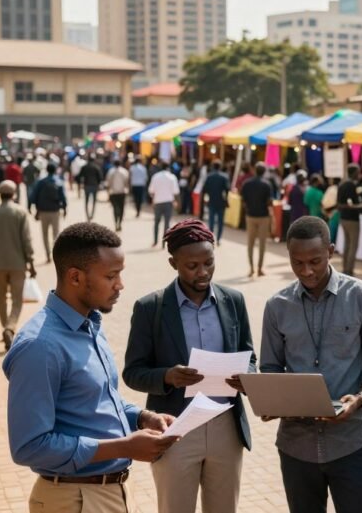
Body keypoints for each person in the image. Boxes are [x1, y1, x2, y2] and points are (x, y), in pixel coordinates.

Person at [3, 222, 179, 513]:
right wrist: (123, 447)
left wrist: (142, 417)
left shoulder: (90, 324)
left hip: (111, 492)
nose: (120, 285)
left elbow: (97, 400)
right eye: (111, 276)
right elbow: (29, 446)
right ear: (75, 277)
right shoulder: (40, 346)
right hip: (74, 500)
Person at [260, 216, 362, 513]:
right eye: (298, 263)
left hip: (351, 443)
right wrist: (271, 402)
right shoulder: (276, 306)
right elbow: (270, 368)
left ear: (331, 251)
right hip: (296, 447)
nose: (307, 271)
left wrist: (359, 399)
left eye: (315, 261)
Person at [123, 219, 256, 513]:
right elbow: (133, 372)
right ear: (173, 263)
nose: (203, 272)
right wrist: (168, 376)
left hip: (226, 427)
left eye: (209, 262)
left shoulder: (233, 300)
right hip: (176, 427)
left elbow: (250, 356)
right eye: (192, 265)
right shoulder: (150, 308)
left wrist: (248, 378)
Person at [0, 180, 37, 350]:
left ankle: (5, 326)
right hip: (17, 263)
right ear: (13, 194)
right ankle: (10, 327)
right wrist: (31, 262)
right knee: (17, 299)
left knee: (0, 299)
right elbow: (26, 240)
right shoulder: (20, 212)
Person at [29, 163, 67, 264]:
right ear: (55, 170)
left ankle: (47, 254)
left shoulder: (41, 182)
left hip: (43, 211)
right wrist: (65, 208)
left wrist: (31, 207)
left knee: (45, 234)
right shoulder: (58, 181)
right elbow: (63, 197)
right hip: (55, 211)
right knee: (56, 233)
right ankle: (55, 254)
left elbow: (33, 196)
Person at [241, 163, 273, 277]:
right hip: (263, 216)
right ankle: (259, 268)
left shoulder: (247, 183)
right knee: (262, 244)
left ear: (255, 170)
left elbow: (243, 201)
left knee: (250, 243)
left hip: (250, 216)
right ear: (264, 172)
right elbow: (269, 202)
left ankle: (251, 269)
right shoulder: (267, 184)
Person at [336, 165, 362, 275]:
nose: (359, 175)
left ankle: (345, 268)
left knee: (347, 245)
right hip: (352, 219)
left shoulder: (341, 184)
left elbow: (339, 204)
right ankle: (349, 270)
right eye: (358, 172)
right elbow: (353, 204)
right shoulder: (352, 185)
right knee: (353, 245)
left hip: (343, 218)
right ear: (354, 173)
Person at [149, 164, 180, 247]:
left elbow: (151, 190)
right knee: (167, 223)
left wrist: (153, 199)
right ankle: (164, 242)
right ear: (168, 168)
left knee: (156, 222)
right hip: (168, 202)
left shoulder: (155, 177)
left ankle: (155, 241)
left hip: (158, 201)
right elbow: (176, 191)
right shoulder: (172, 177)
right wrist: (176, 201)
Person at [202, 161, 230, 244]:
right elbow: (227, 190)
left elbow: (205, 190)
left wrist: (206, 199)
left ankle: (211, 237)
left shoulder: (209, 176)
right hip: (221, 201)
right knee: (220, 221)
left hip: (211, 201)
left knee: (211, 220)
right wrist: (226, 200)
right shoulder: (224, 177)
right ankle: (218, 238)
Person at [105, 160, 130, 232]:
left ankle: (116, 223)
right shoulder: (124, 171)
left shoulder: (110, 171)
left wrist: (108, 193)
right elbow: (127, 182)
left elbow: (108, 182)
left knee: (115, 209)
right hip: (122, 193)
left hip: (113, 193)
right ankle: (120, 223)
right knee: (121, 209)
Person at [79, 157, 104, 221]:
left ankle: (87, 215)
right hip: (94, 186)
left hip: (87, 185)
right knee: (94, 201)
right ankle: (92, 215)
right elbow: (100, 177)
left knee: (86, 201)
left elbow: (80, 176)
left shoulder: (84, 167)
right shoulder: (96, 167)